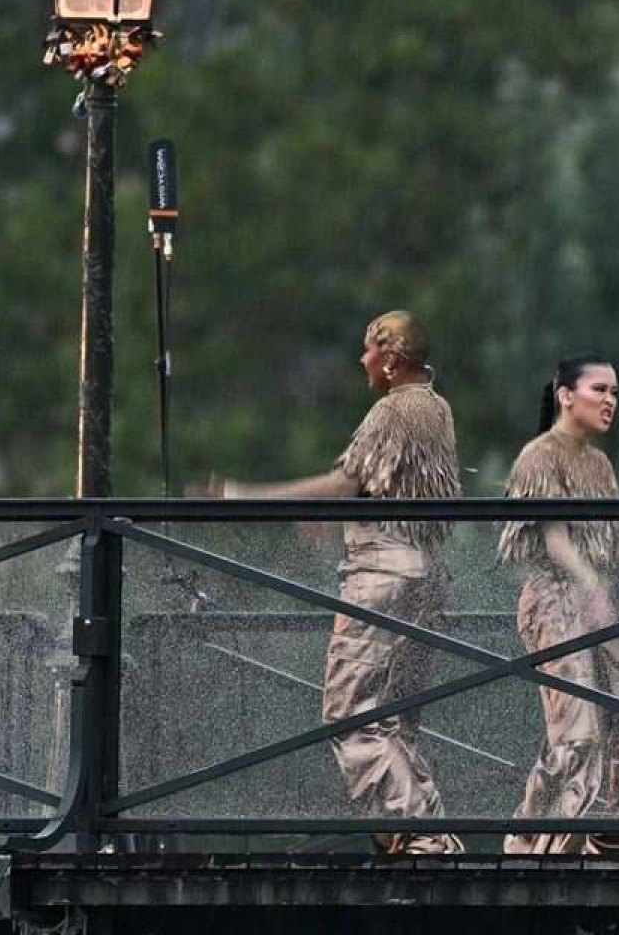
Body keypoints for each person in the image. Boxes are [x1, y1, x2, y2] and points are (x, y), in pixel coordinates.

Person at [214, 310, 461, 855]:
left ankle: (423, 841)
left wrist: (247, 496)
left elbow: (346, 481)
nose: (362, 361)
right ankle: (426, 838)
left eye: (369, 351)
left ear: (391, 359)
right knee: (395, 722)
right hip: (425, 572)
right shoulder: (436, 408)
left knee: (352, 715)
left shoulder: (393, 410)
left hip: (382, 575)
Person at [497, 353, 619, 854]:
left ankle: (618, 848)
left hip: (595, 602)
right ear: (565, 394)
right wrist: (588, 584)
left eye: (615, 393)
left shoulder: (599, 464)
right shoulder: (539, 455)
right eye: (599, 391)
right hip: (553, 601)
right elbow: (554, 535)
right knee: (577, 735)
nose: (610, 402)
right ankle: (534, 851)